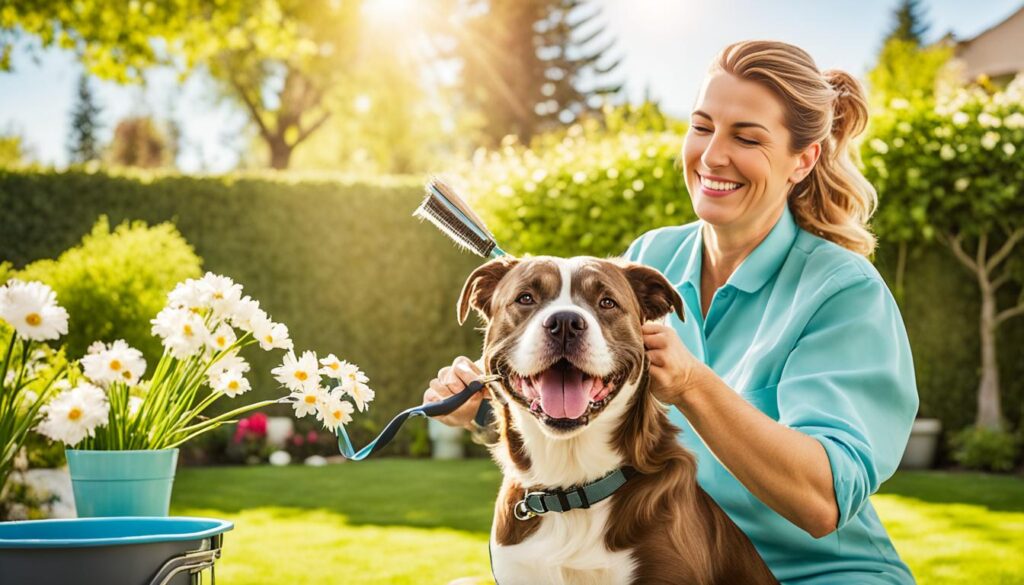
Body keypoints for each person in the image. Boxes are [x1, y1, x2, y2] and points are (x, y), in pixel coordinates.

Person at [424, 40, 918, 584]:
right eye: (702, 127)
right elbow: (593, 405)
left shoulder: (842, 291)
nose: (712, 156)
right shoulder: (653, 257)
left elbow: (822, 501)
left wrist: (693, 386)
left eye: (746, 137)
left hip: (817, 574)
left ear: (803, 159)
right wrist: (486, 406)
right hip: (672, 559)